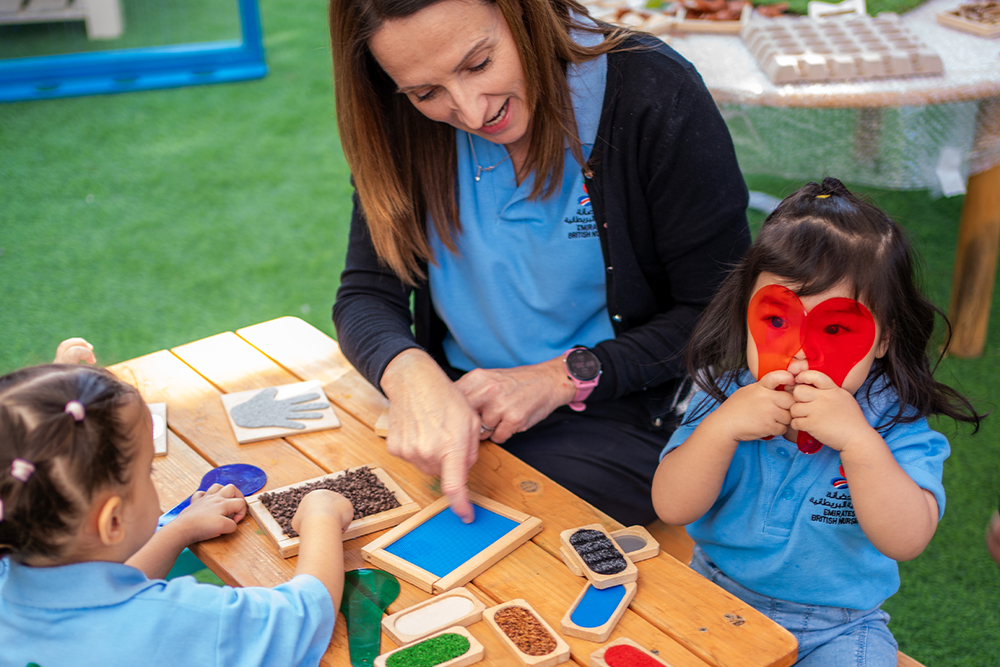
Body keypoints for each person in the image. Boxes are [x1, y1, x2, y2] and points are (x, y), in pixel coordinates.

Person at [329, 0, 750, 524]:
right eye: (426, 93)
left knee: (480, 518)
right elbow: (367, 292)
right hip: (465, 399)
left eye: (479, 63)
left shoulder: (652, 90)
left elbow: (718, 316)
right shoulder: (395, 119)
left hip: (630, 407)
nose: (472, 113)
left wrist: (560, 377)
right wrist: (409, 373)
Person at [652, 178, 981, 666]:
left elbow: (907, 540)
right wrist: (721, 429)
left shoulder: (895, 425)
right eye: (777, 321)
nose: (801, 354)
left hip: (836, 628)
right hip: (712, 596)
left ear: (884, 339)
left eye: (836, 328)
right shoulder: (724, 397)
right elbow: (672, 506)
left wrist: (859, 443)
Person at [0, 360, 355, 667]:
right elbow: (302, 618)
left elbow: (91, 596)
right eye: (148, 472)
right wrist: (320, 519)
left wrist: (178, 530)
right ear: (112, 521)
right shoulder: (174, 620)